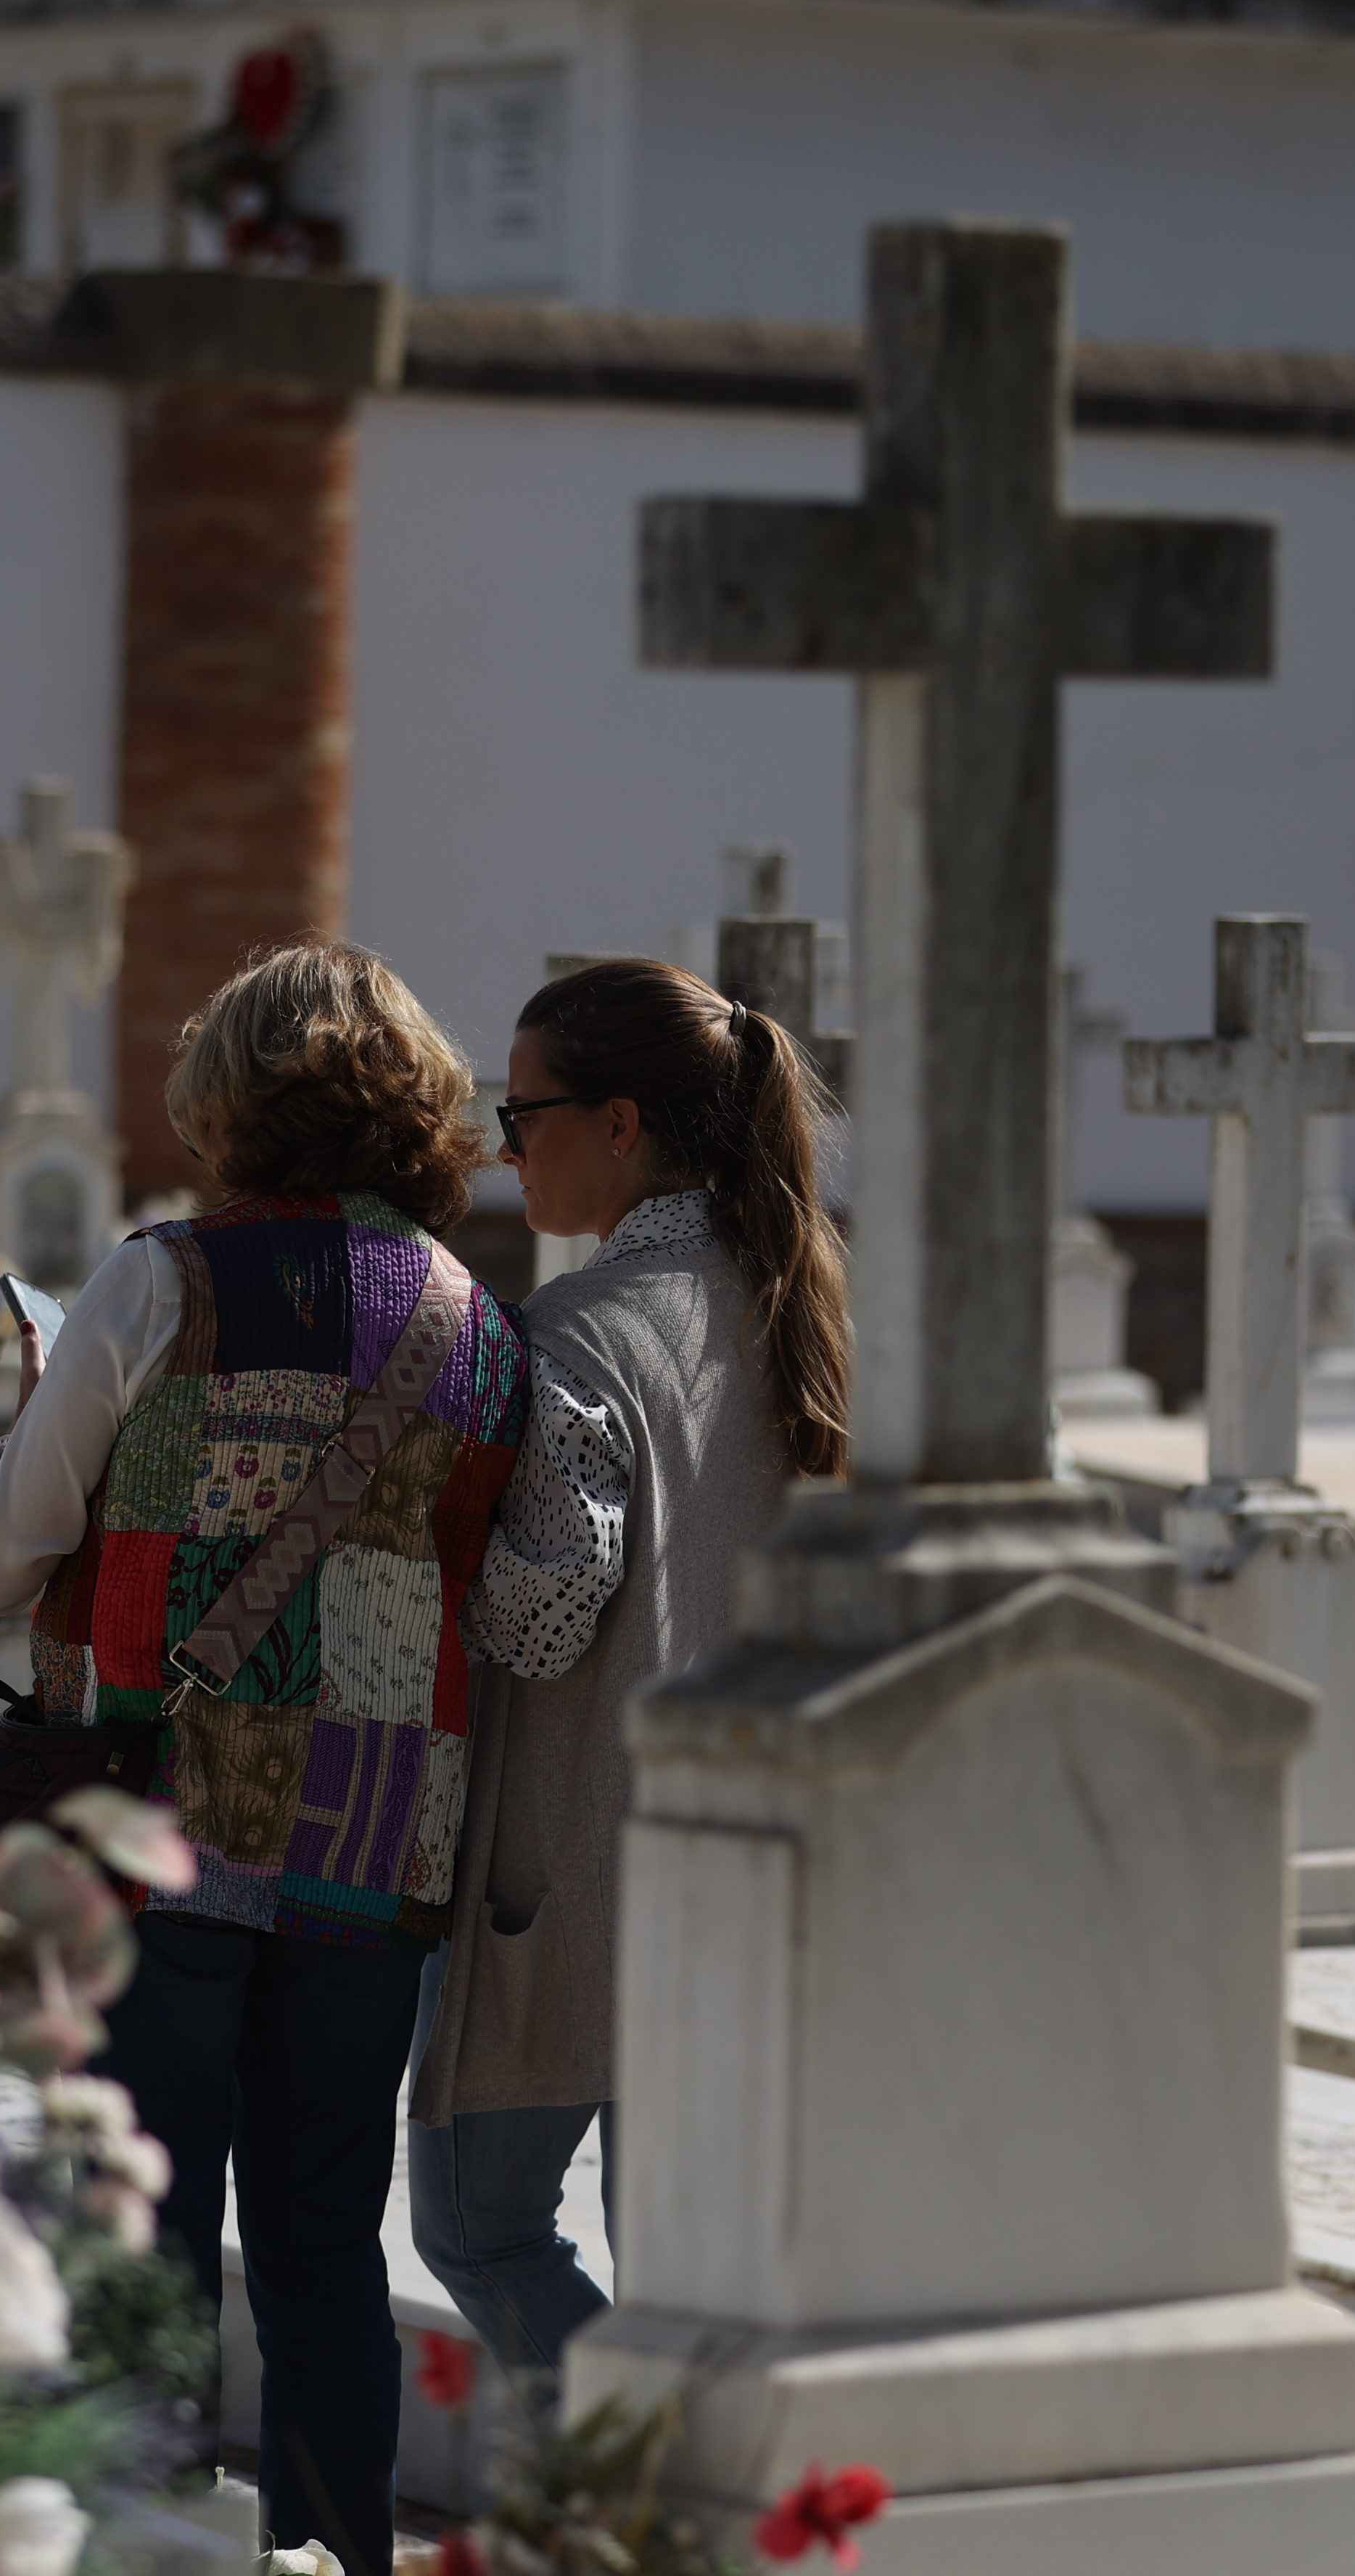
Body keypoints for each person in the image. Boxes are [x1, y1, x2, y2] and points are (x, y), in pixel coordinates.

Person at [0, 942, 531, 2576]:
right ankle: (339, 2555)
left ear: (228, 1103)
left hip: (161, 1815)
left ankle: (133, 2550)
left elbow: (2, 1555)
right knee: (329, 2245)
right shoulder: (480, 1325)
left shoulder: (158, 1282)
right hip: (378, 1830)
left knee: (144, 2232)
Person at [408, 956, 851, 2376]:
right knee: (683, 2268)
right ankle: (698, 2506)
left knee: (481, 2231)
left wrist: (408, 1543)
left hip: (578, 1871)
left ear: (618, 1124)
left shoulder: (585, 1334)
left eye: (519, 1108)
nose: (495, 1139)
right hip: (753, 1866)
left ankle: (655, 2502)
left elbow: (547, 1616)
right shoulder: (804, 1314)